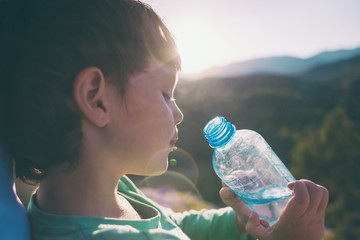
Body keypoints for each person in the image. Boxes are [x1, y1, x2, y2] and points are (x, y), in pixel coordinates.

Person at [0, 0, 328, 239]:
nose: (179, 112)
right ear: (96, 99)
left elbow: (173, 225)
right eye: (166, 94)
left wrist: (238, 222)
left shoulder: (110, 192)